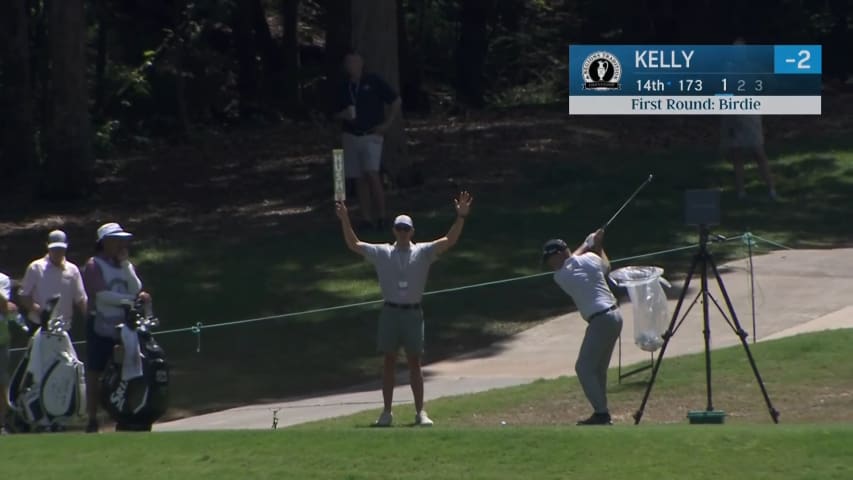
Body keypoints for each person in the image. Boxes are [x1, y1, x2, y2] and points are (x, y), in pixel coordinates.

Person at [335, 191, 473, 427]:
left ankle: (420, 412)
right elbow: (354, 244)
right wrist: (345, 219)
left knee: (414, 363)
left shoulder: (423, 252)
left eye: (406, 229)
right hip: (390, 312)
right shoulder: (383, 252)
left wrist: (460, 217)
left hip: (412, 312)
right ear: (394, 231)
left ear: (412, 231)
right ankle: (387, 412)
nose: (402, 232)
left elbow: (449, 241)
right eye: (399, 228)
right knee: (388, 362)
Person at [542, 229, 622, 425]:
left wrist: (588, 243)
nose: (549, 265)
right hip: (615, 317)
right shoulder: (589, 260)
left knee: (583, 368)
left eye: (549, 258)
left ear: (560, 253)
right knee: (598, 369)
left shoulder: (562, 275)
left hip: (601, 319)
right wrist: (598, 246)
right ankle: (602, 413)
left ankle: (601, 413)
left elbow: (573, 259)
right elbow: (606, 266)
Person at [81, 222, 152, 433]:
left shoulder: (124, 264)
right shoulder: (94, 265)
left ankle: (125, 415)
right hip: (100, 324)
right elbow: (102, 296)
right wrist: (130, 300)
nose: (120, 244)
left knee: (128, 369)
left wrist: (126, 265)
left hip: (125, 326)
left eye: (122, 240)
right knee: (95, 371)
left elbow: (136, 287)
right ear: (104, 243)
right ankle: (92, 419)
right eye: (115, 240)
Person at [333, 50, 402, 231]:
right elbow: (333, 112)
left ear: (362, 64)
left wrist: (386, 125)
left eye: (356, 63)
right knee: (358, 178)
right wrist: (344, 115)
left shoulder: (373, 81)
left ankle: (382, 215)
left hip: (371, 134)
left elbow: (395, 100)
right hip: (350, 135)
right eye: (349, 63)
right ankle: (366, 218)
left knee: (372, 173)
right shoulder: (343, 86)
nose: (352, 67)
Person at [721, 37, 777, 201]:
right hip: (733, 114)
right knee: (737, 154)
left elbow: (770, 83)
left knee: (758, 151)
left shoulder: (752, 68)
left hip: (750, 114)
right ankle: (741, 192)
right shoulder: (728, 69)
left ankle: (771, 189)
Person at [19, 230, 88, 332]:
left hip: (64, 326)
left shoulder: (72, 270)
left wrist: (89, 319)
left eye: (61, 249)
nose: (58, 252)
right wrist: (39, 310)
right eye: (54, 249)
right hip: (39, 325)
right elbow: (24, 295)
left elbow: (81, 299)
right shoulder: (36, 267)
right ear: (47, 246)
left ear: (66, 247)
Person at [0, 272, 20, 434]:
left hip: (1, 340)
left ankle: (2, 424)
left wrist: (6, 306)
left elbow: (3, 305)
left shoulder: (3, 279)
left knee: (1, 383)